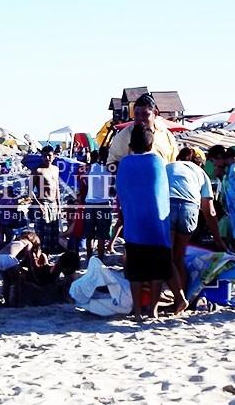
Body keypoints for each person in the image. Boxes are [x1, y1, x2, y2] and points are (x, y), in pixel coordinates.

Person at [116, 124, 186, 322]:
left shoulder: (124, 163)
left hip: (134, 227)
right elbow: (162, 191)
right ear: (151, 144)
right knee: (156, 272)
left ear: (130, 145)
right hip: (157, 227)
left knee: (136, 273)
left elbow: (121, 190)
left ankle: (138, 312)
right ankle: (153, 310)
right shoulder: (157, 161)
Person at [166, 147, 226, 292]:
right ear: (200, 163)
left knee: (167, 258)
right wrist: (218, 240)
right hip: (190, 209)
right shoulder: (201, 173)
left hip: (168, 205)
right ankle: (182, 297)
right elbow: (209, 211)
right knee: (178, 258)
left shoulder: (168, 167)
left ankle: (178, 297)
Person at [107, 92, 178, 168]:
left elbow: (174, 164)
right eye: (137, 114)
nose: (140, 118)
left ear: (155, 113)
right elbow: (111, 165)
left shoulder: (166, 136)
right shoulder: (123, 137)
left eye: (145, 114)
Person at [0, 230, 40, 307]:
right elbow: (28, 259)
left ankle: (6, 302)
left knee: (6, 282)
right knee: (17, 282)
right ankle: (16, 304)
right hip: (9, 258)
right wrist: (32, 275)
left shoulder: (14, 242)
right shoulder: (28, 243)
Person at [30, 146, 62, 254]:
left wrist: (59, 205)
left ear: (53, 156)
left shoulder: (56, 169)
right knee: (41, 233)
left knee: (53, 233)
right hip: (42, 203)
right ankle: (39, 256)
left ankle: (47, 257)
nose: (47, 158)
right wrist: (38, 204)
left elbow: (57, 188)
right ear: (41, 157)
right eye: (44, 156)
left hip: (54, 203)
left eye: (49, 155)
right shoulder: (37, 171)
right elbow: (30, 191)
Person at [83, 150, 113, 259]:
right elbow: (112, 189)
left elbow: (86, 180)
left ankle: (89, 258)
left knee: (89, 235)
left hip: (90, 203)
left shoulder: (92, 167)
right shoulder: (111, 169)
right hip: (103, 204)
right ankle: (100, 259)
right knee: (101, 235)